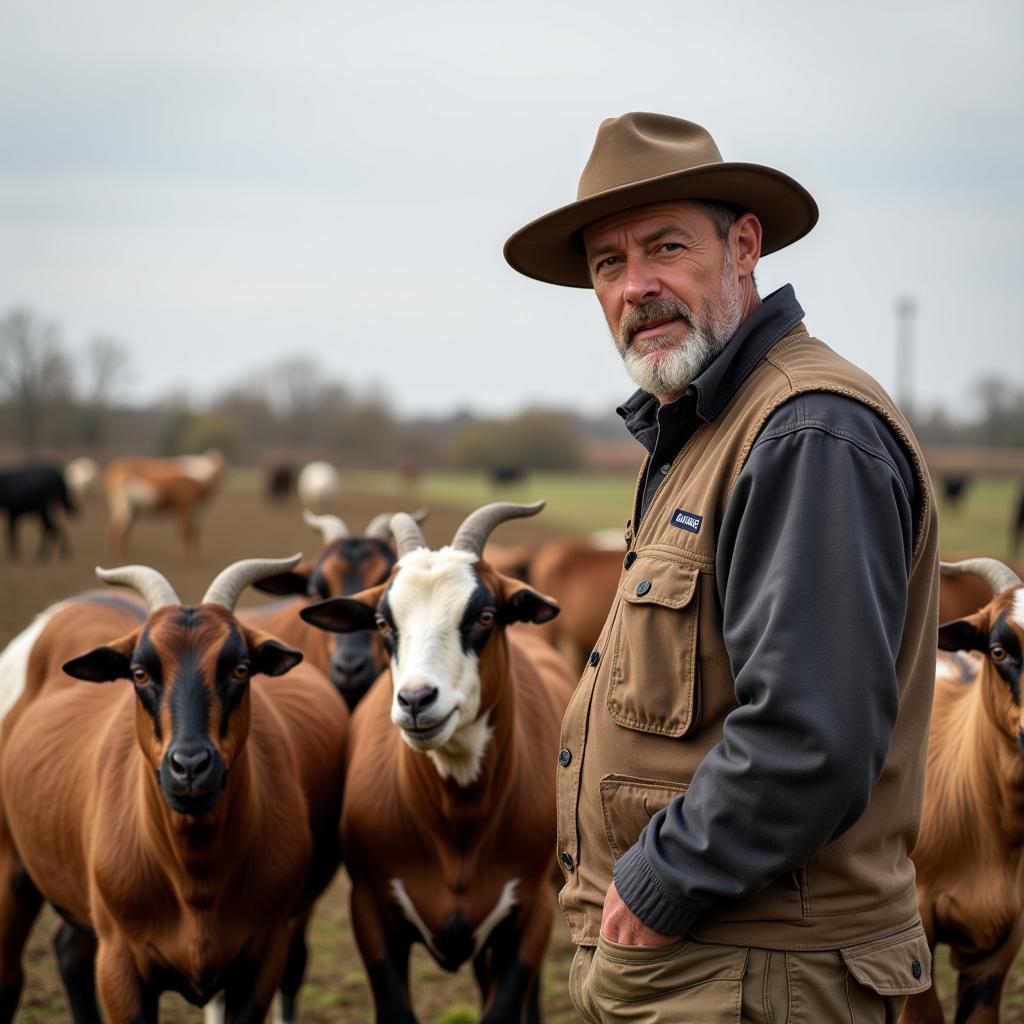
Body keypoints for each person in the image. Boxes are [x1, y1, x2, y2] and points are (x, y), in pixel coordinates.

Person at [503, 112, 939, 1022]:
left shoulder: (806, 430)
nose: (637, 287)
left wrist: (661, 881)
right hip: (705, 964)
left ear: (744, 246)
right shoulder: (708, 426)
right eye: (608, 265)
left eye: (666, 247)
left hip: (755, 971)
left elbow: (809, 734)